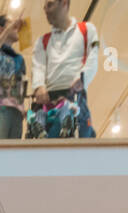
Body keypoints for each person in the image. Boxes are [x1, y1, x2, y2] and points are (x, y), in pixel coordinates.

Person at [30, 0, 99, 138]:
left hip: (76, 95)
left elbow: (93, 57)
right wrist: (38, 87)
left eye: (50, 5)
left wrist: (82, 78)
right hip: (49, 100)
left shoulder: (86, 30)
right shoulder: (42, 41)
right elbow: (38, 66)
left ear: (64, 4)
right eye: (44, 7)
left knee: (83, 141)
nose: (46, 10)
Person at [0, 14, 27, 140]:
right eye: (11, 23)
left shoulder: (18, 59)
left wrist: (22, 107)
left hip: (17, 112)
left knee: (13, 156)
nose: (16, 26)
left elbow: (21, 85)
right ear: (1, 29)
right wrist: (9, 29)